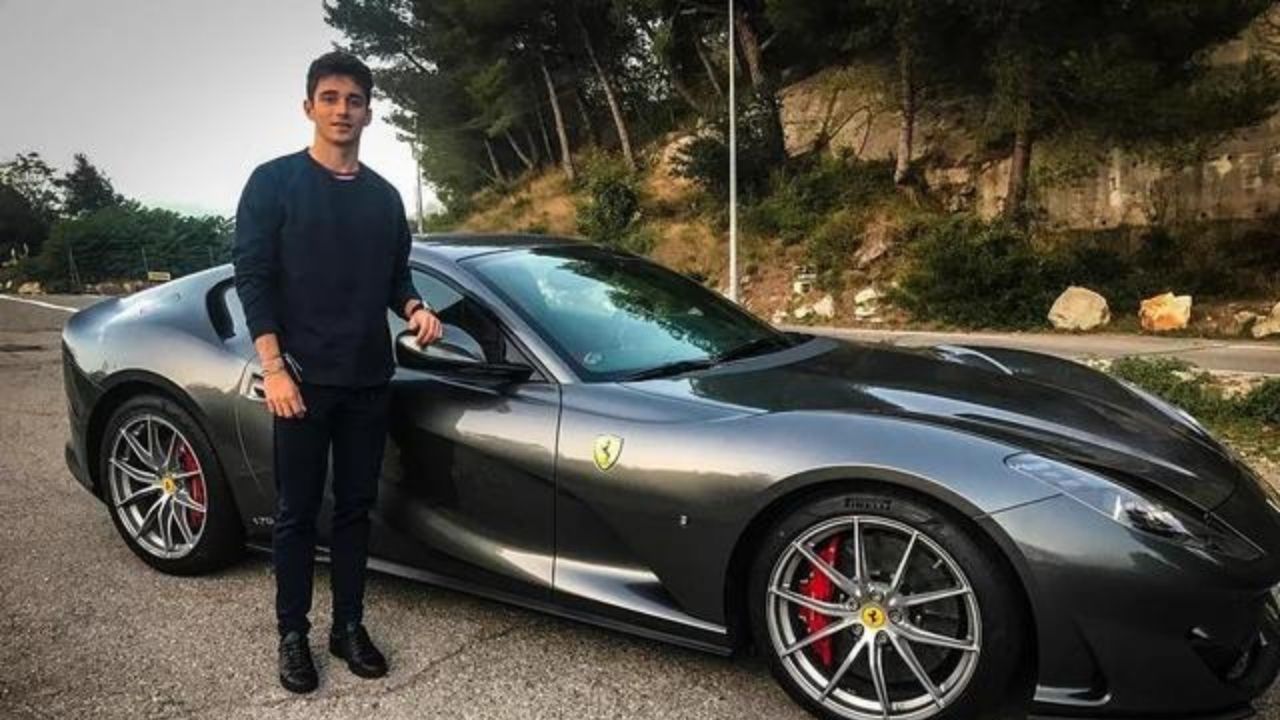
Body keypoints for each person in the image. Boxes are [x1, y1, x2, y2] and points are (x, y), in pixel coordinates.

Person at [232, 51, 442, 694]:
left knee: (356, 510)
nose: (341, 110)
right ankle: (292, 635)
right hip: (298, 381)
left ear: (369, 112)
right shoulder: (272, 184)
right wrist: (274, 368)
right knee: (297, 514)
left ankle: (347, 627)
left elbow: (394, 276)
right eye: (329, 98)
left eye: (353, 100)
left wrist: (413, 306)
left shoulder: (383, 200)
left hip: (367, 380)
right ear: (308, 108)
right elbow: (254, 278)